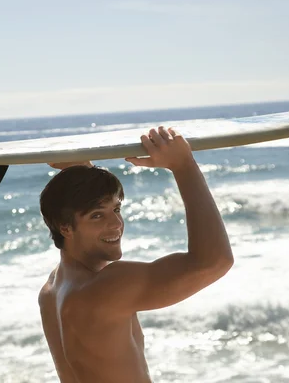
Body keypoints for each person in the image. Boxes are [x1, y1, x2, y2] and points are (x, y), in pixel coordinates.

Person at [38, 126, 234, 383]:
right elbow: (214, 261)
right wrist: (183, 165)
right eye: (97, 216)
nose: (116, 224)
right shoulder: (104, 288)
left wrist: (83, 169)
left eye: (116, 209)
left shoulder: (52, 290)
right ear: (65, 227)